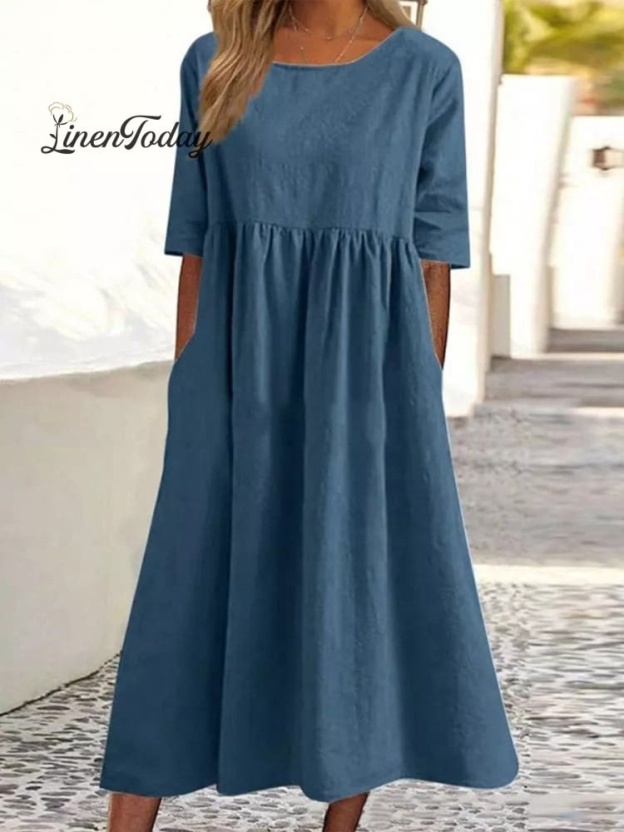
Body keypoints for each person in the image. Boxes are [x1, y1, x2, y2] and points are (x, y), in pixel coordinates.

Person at [98, 1, 519, 830]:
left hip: (369, 381)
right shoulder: (216, 59)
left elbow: (434, 256)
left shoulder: (424, 70)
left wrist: (412, 408)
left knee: (351, 584)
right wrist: (191, 389)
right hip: (230, 373)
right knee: (184, 593)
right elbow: (196, 243)